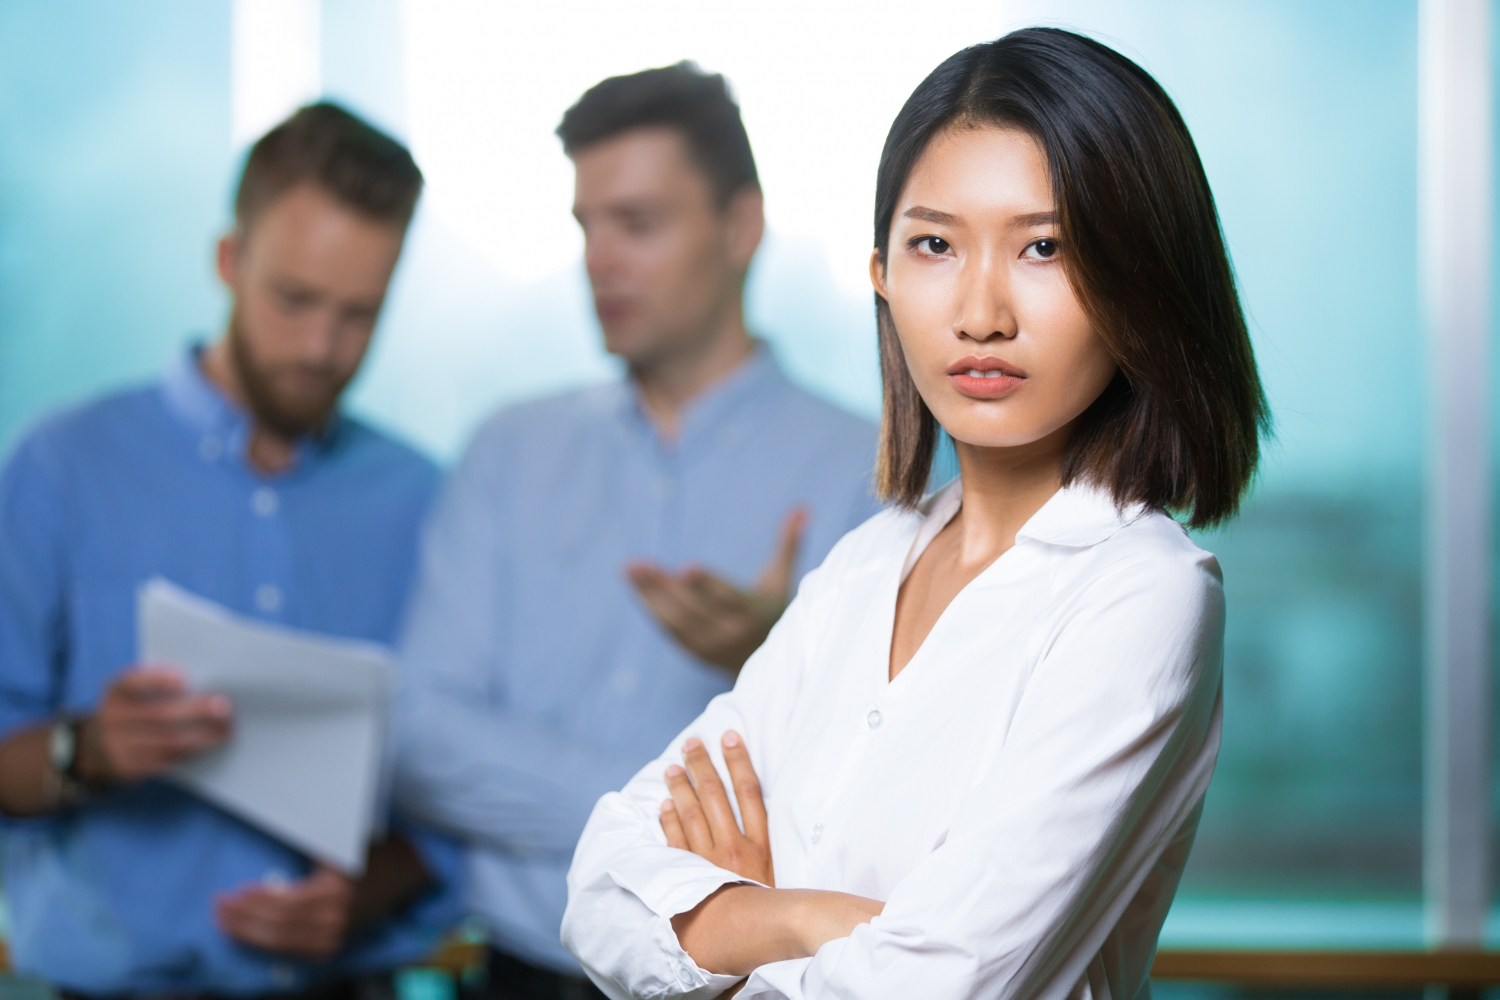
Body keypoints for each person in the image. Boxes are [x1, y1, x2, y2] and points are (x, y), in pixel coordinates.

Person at [562, 27, 1270, 1000]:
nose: (981, 311)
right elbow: (600, 885)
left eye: (1045, 246)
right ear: (882, 275)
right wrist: (810, 917)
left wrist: (724, 922)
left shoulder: (1143, 594)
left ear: (1137, 281)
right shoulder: (864, 565)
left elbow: (934, 986)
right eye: (935, 243)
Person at [393, 64, 879, 997]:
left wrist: (776, 654)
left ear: (741, 228)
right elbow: (419, 739)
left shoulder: (874, 476)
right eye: (587, 226)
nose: (600, 261)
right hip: (518, 974)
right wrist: (668, 817)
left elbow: (871, 796)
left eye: (639, 224)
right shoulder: (506, 453)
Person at [0, 103, 461, 997]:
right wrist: (85, 750)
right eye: (294, 300)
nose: (320, 349)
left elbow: (449, 802)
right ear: (227, 262)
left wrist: (371, 890)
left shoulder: (420, 500)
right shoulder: (62, 465)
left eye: (359, 314)